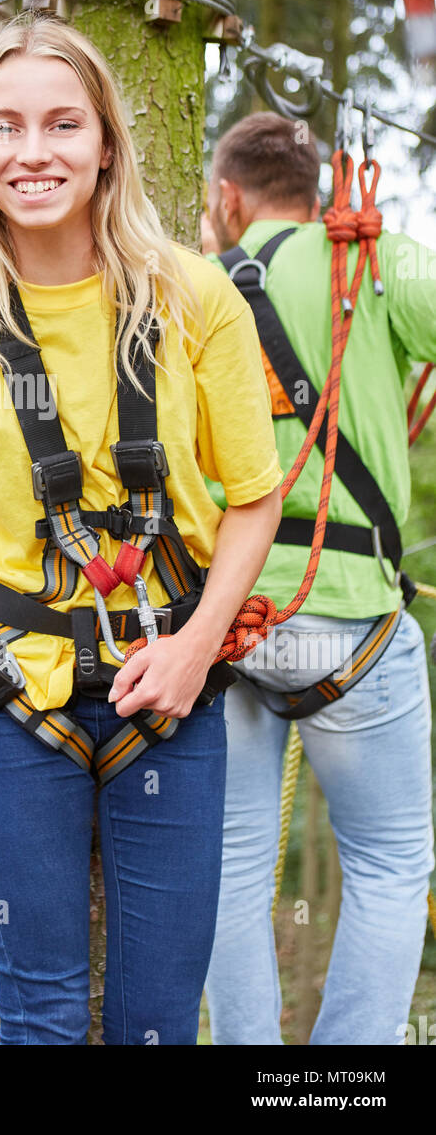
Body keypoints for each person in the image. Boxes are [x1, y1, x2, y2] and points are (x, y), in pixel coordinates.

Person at [0, 14, 283, 1046]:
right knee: (42, 1013)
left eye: (61, 124)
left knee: (154, 1021)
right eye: (1, 128)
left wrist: (196, 649)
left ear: (106, 142)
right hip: (15, 695)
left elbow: (254, 492)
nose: (31, 152)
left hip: (170, 691)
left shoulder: (194, 299)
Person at [202, 111, 436, 1046]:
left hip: (232, 619)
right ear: (320, 192)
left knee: (228, 873)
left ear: (227, 198)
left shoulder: (199, 289)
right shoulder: (366, 263)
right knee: (386, 865)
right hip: (353, 626)